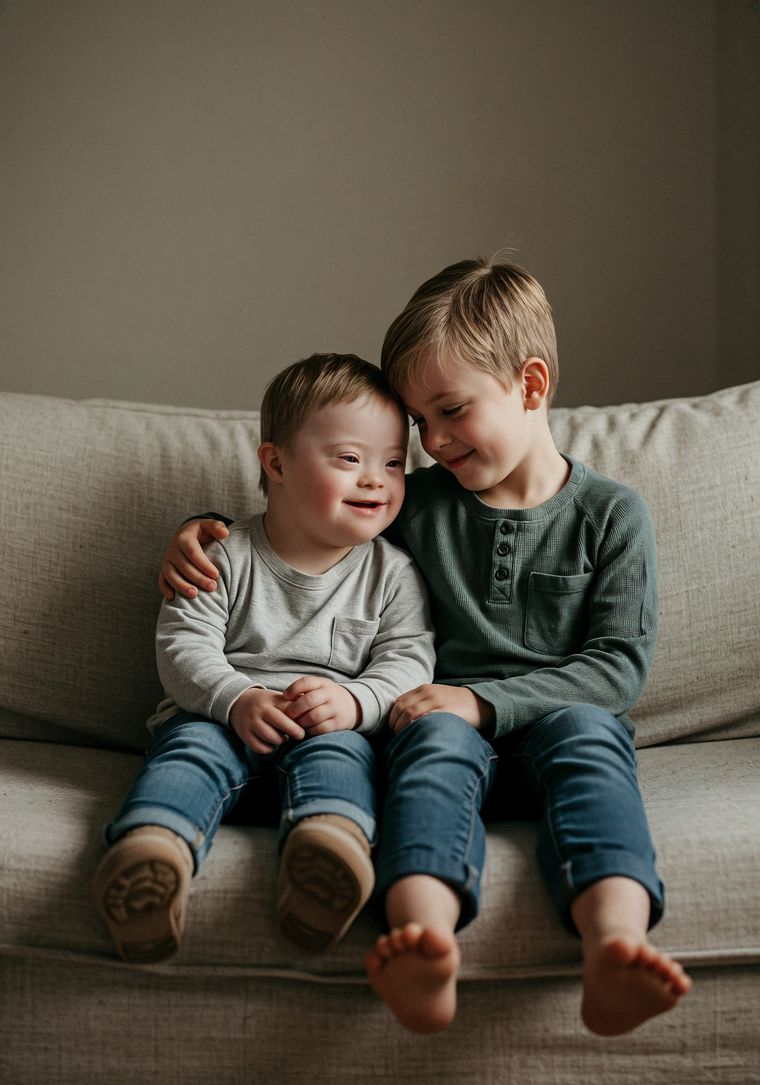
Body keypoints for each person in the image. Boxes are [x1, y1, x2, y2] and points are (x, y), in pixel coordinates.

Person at [158, 259, 691, 1037]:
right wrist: (200, 528)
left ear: (531, 386)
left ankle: (614, 946)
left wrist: (482, 700)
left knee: (591, 738)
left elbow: (616, 668)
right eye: (420, 424)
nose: (434, 441)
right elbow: (312, 529)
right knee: (430, 744)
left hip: (555, 722)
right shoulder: (418, 501)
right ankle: (426, 941)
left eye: (452, 411)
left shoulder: (612, 515)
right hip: (436, 728)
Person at [93, 353, 435, 964]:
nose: (376, 480)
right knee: (188, 748)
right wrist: (235, 699)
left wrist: (355, 701)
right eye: (350, 459)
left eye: (393, 463)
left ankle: (325, 856)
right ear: (276, 462)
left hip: (323, 732)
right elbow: (181, 644)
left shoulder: (392, 573)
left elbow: (411, 662)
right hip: (219, 721)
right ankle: (154, 853)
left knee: (343, 755)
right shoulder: (222, 556)